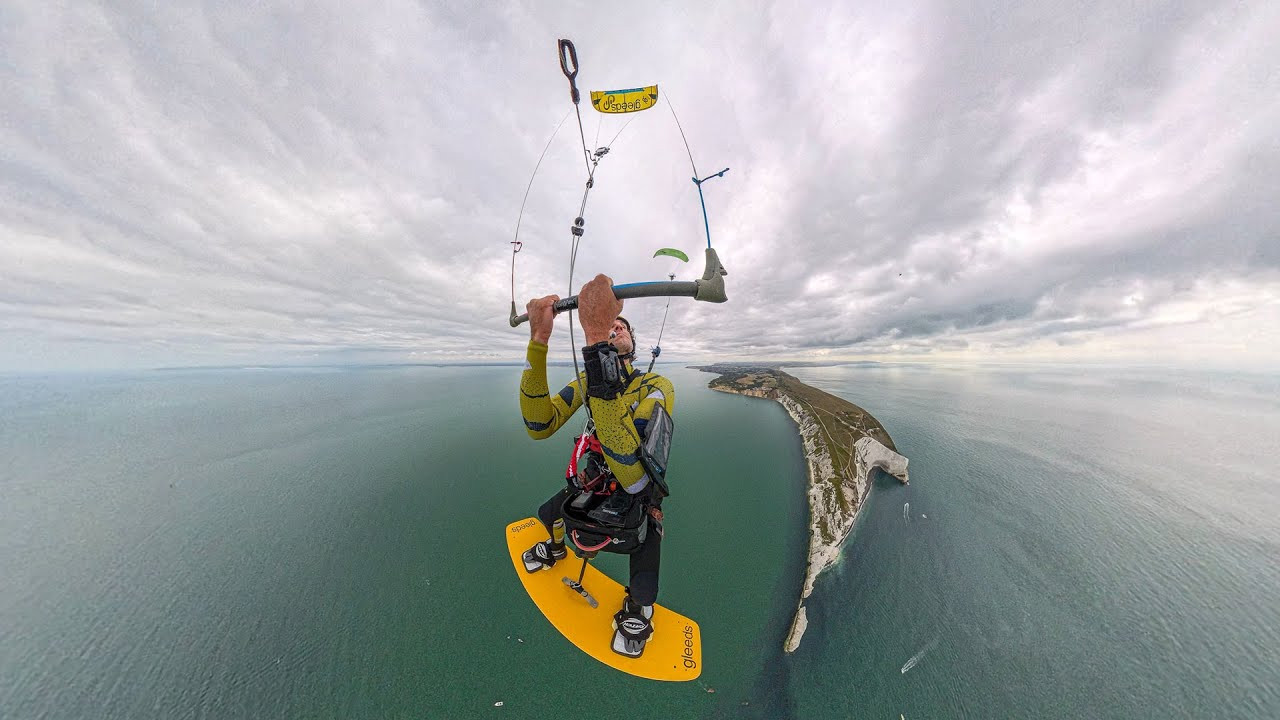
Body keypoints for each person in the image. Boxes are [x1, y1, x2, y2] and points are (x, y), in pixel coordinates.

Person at [518, 274, 675, 658]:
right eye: (611, 325)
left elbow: (632, 470)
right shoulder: (590, 380)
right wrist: (538, 342)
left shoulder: (656, 386)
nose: (614, 328)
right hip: (597, 481)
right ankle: (556, 550)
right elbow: (539, 424)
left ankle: (639, 609)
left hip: (635, 490)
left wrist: (595, 340)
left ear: (632, 346)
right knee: (548, 514)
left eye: (620, 328)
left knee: (644, 569)